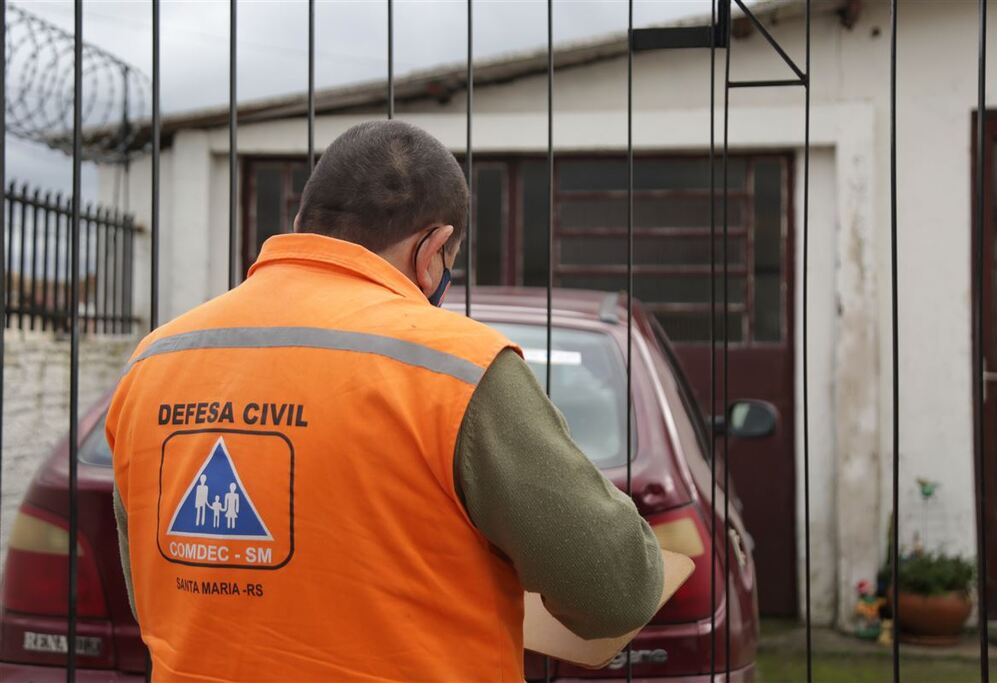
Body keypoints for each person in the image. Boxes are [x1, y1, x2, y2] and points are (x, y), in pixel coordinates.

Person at [107, 120, 663, 682]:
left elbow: (155, 588)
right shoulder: (459, 367)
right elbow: (615, 590)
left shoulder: (156, 360)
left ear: (306, 225)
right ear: (433, 249)